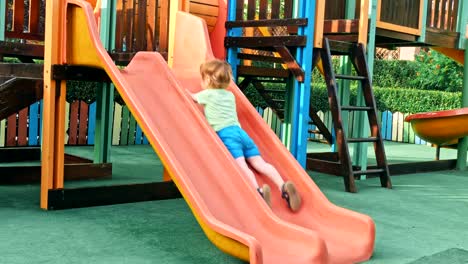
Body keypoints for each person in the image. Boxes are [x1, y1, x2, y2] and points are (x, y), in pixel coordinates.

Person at [187, 59, 301, 212]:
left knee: (242, 166)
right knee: (261, 164)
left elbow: (191, 97)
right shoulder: (230, 96)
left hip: (226, 135)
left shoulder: (207, 94)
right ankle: (283, 186)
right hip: (242, 134)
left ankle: (259, 192)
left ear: (207, 80)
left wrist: (181, 89)